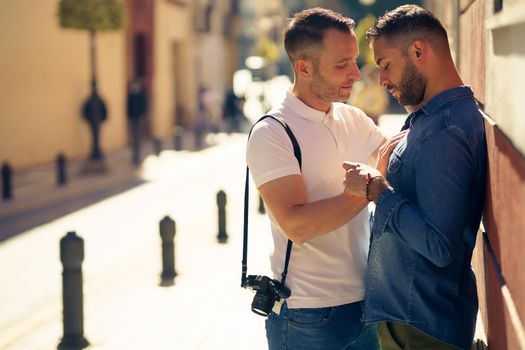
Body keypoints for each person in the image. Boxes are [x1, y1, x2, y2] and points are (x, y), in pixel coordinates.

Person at [343, 5, 487, 350]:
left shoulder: (446, 130)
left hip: (420, 329)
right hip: (411, 321)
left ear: (418, 51)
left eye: (385, 64)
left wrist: (378, 190)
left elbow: (438, 246)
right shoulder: (430, 118)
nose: (382, 80)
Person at [246, 7, 387, 350]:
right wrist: (363, 192)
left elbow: (397, 166)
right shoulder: (272, 133)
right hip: (307, 316)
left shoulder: (354, 119)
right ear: (304, 68)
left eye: (354, 60)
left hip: (366, 304)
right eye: (342, 65)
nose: (356, 73)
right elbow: (297, 225)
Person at [127, 78, 148, 165]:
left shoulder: (141, 94)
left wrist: (142, 115)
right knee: (134, 137)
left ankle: (137, 155)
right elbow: (128, 107)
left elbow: (144, 106)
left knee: (138, 137)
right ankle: (135, 156)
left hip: (139, 118)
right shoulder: (131, 95)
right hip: (133, 118)